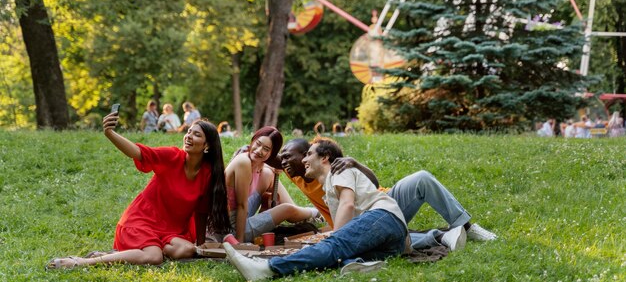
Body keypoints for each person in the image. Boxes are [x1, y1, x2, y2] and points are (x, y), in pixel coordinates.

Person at [46, 115, 230, 269]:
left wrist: (200, 243)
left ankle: (130, 253)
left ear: (207, 146)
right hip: (141, 220)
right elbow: (138, 152)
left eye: (196, 134)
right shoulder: (172, 156)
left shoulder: (207, 174)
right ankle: (83, 262)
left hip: (171, 231)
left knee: (188, 250)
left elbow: (201, 211)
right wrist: (110, 133)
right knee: (154, 257)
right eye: (188, 132)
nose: (188, 136)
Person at [223, 138, 409, 280]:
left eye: (309, 154)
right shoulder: (328, 187)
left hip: (385, 216)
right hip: (393, 241)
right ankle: (357, 265)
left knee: (335, 245)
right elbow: (279, 161)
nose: (304, 160)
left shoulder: (338, 171)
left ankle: (267, 268)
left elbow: (348, 204)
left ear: (325, 157)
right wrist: (252, 152)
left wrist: (336, 237)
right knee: (339, 254)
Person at [279, 138, 496, 251]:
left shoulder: (329, 163)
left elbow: (371, 183)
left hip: (384, 202)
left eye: (289, 156)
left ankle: (466, 226)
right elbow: (271, 157)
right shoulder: (295, 173)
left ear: (309, 155)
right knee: (380, 240)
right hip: (359, 223)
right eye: (282, 159)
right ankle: (440, 237)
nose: (285, 161)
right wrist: (249, 153)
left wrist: (356, 163)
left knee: (421, 178)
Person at [223, 127, 319, 243]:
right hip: (231, 229)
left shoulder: (259, 165)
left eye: (266, 149)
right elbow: (241, 205)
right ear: (252, 140)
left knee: (269, 174)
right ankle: (314, 212)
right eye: (258, 144)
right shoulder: (243, 162)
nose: (259, 150)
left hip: (242, 218)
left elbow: (281, 163)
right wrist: (239, 241)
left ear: (271, 154)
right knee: (287, 209)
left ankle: (301, 212)